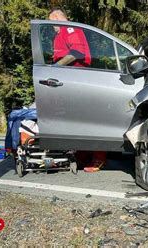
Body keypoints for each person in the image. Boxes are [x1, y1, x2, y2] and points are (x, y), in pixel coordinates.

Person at [49, 8, 106, 171]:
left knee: (88, 118)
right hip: (69, 79)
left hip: (78, 77)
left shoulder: (69, 28)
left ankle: (98, 158)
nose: (52, 26)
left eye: (51, 21)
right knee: (76, 120)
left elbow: (77, 52)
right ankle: (83, 156)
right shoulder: (60, 34)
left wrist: (56, 66)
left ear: (57, 17)